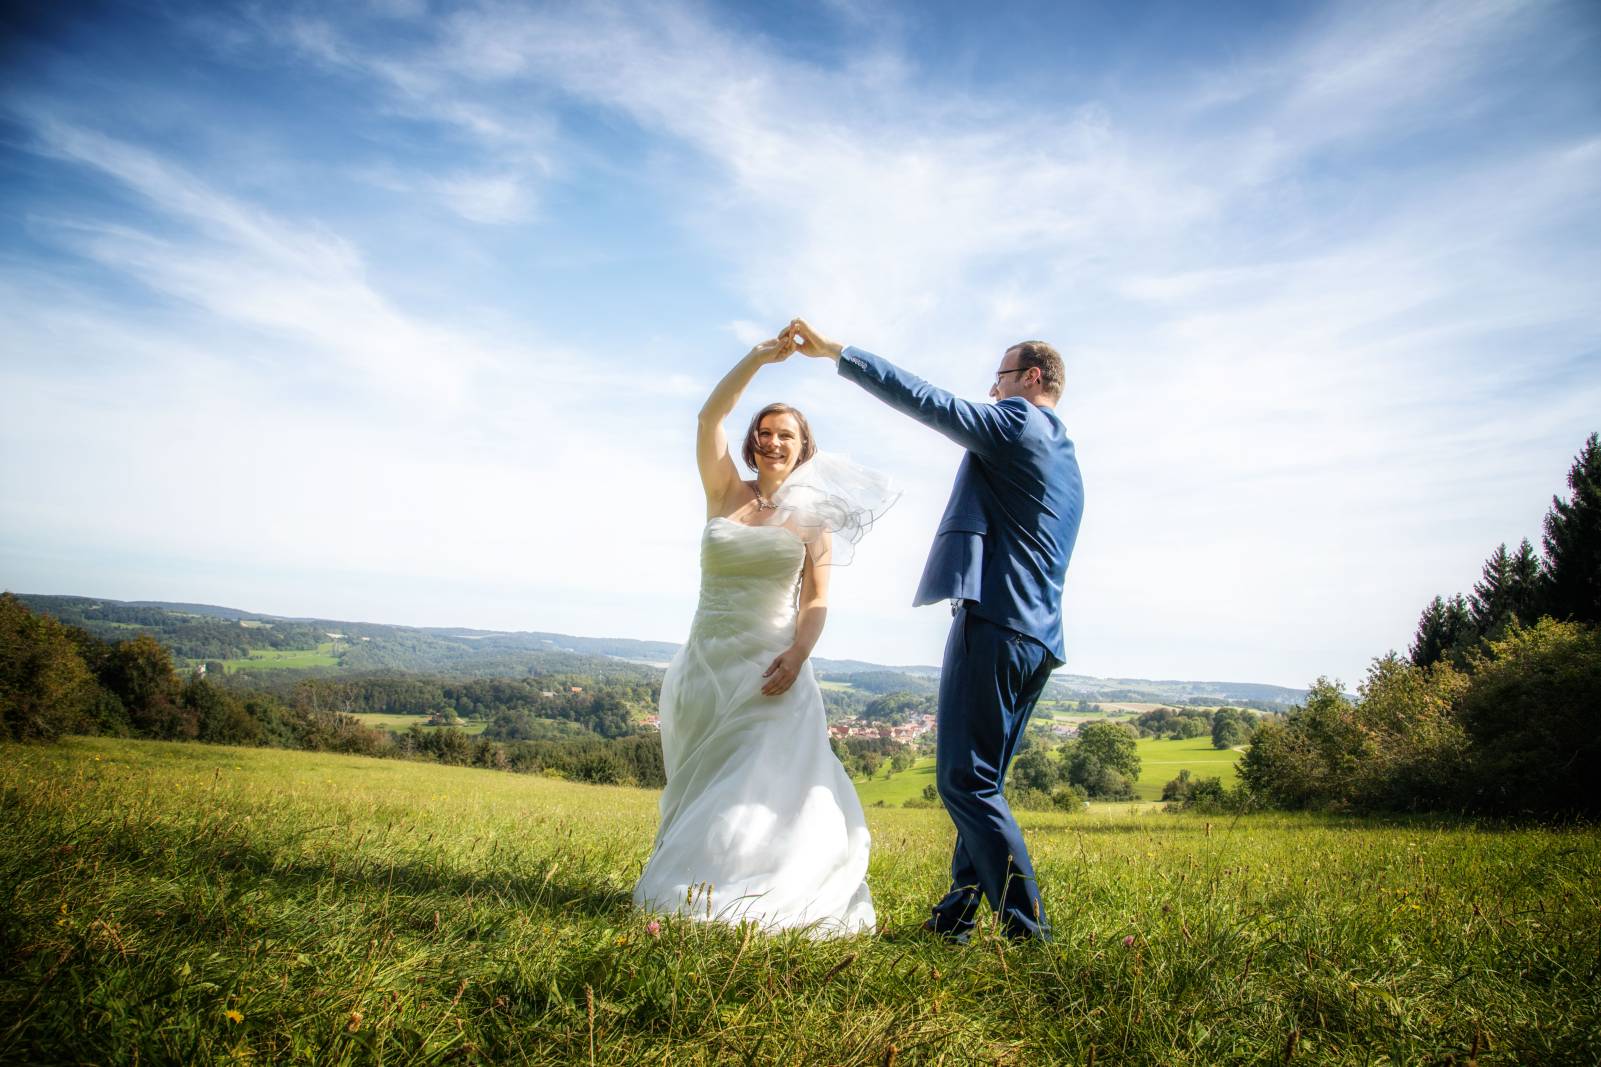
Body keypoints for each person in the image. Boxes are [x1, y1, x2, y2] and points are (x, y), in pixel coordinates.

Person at [782, 318, 1083, 942]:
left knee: (961, 781)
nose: (992, 392)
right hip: (1039, 637)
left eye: (1000, 379)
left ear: (1031, 378)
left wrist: (840, 353)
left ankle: (1031, 936)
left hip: (998, 625)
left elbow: (927, 400)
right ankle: (954, 921)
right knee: (984, 785)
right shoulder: (1064, 454)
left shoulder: (1018, 424)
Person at [632, 336, 896, 936]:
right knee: (701, 783)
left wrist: (798, 655)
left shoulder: (814, 518)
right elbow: (709, 416)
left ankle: (751, 892)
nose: (773, 442)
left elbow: (817, 597)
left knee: (753, 788)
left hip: (771, 664)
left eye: (787, 436)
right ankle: (700, 874)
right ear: (754, 440)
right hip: (704, 664)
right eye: (766, 432)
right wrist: (759, 358)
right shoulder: (723, 491)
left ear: (804, 449)